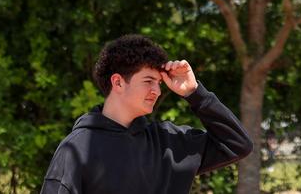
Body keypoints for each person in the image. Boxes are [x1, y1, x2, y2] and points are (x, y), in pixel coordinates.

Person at [40, 34, 252, 193]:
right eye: (149, 81)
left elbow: (237, 144)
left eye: (159, 83)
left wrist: (195, 93)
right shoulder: (76, 149)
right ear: (118, 82)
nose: (157, 91)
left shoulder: (168, 143)